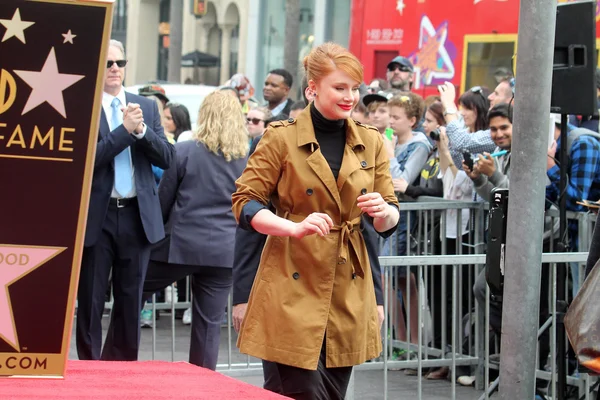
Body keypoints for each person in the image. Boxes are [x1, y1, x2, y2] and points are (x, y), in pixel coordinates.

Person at [231, 42, 400, 399]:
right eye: (340, 87)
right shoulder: (280, 136)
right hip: (291, 283)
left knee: (331, 394)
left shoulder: (371, 142)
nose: (350, 97)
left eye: (355, 88)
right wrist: (291, 227)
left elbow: (382, 222)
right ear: (312, 88)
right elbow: (245, 203)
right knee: (301, 391)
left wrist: (385, 213)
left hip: (349, 291)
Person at [76, 39, 174, 361]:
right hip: (97, 215)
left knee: (131, 300)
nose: (115, 68)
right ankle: (89, 368)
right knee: (90, 300)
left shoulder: (144, 107)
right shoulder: (83, 104)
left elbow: (167, 157)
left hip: (136, 214)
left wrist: (142, 131)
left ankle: (123, 371)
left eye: (120, 63)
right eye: (108, 63)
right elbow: (89, 160)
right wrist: (123, 131)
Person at [142, 91, 248, 369]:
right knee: (208, 325)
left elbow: (163, 200)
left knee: (133, 294)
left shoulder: (184, 150)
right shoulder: (248, 160)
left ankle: (117, 363)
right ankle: (203, 386)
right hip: (225, 251)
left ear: (205, 115)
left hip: (180, 245)